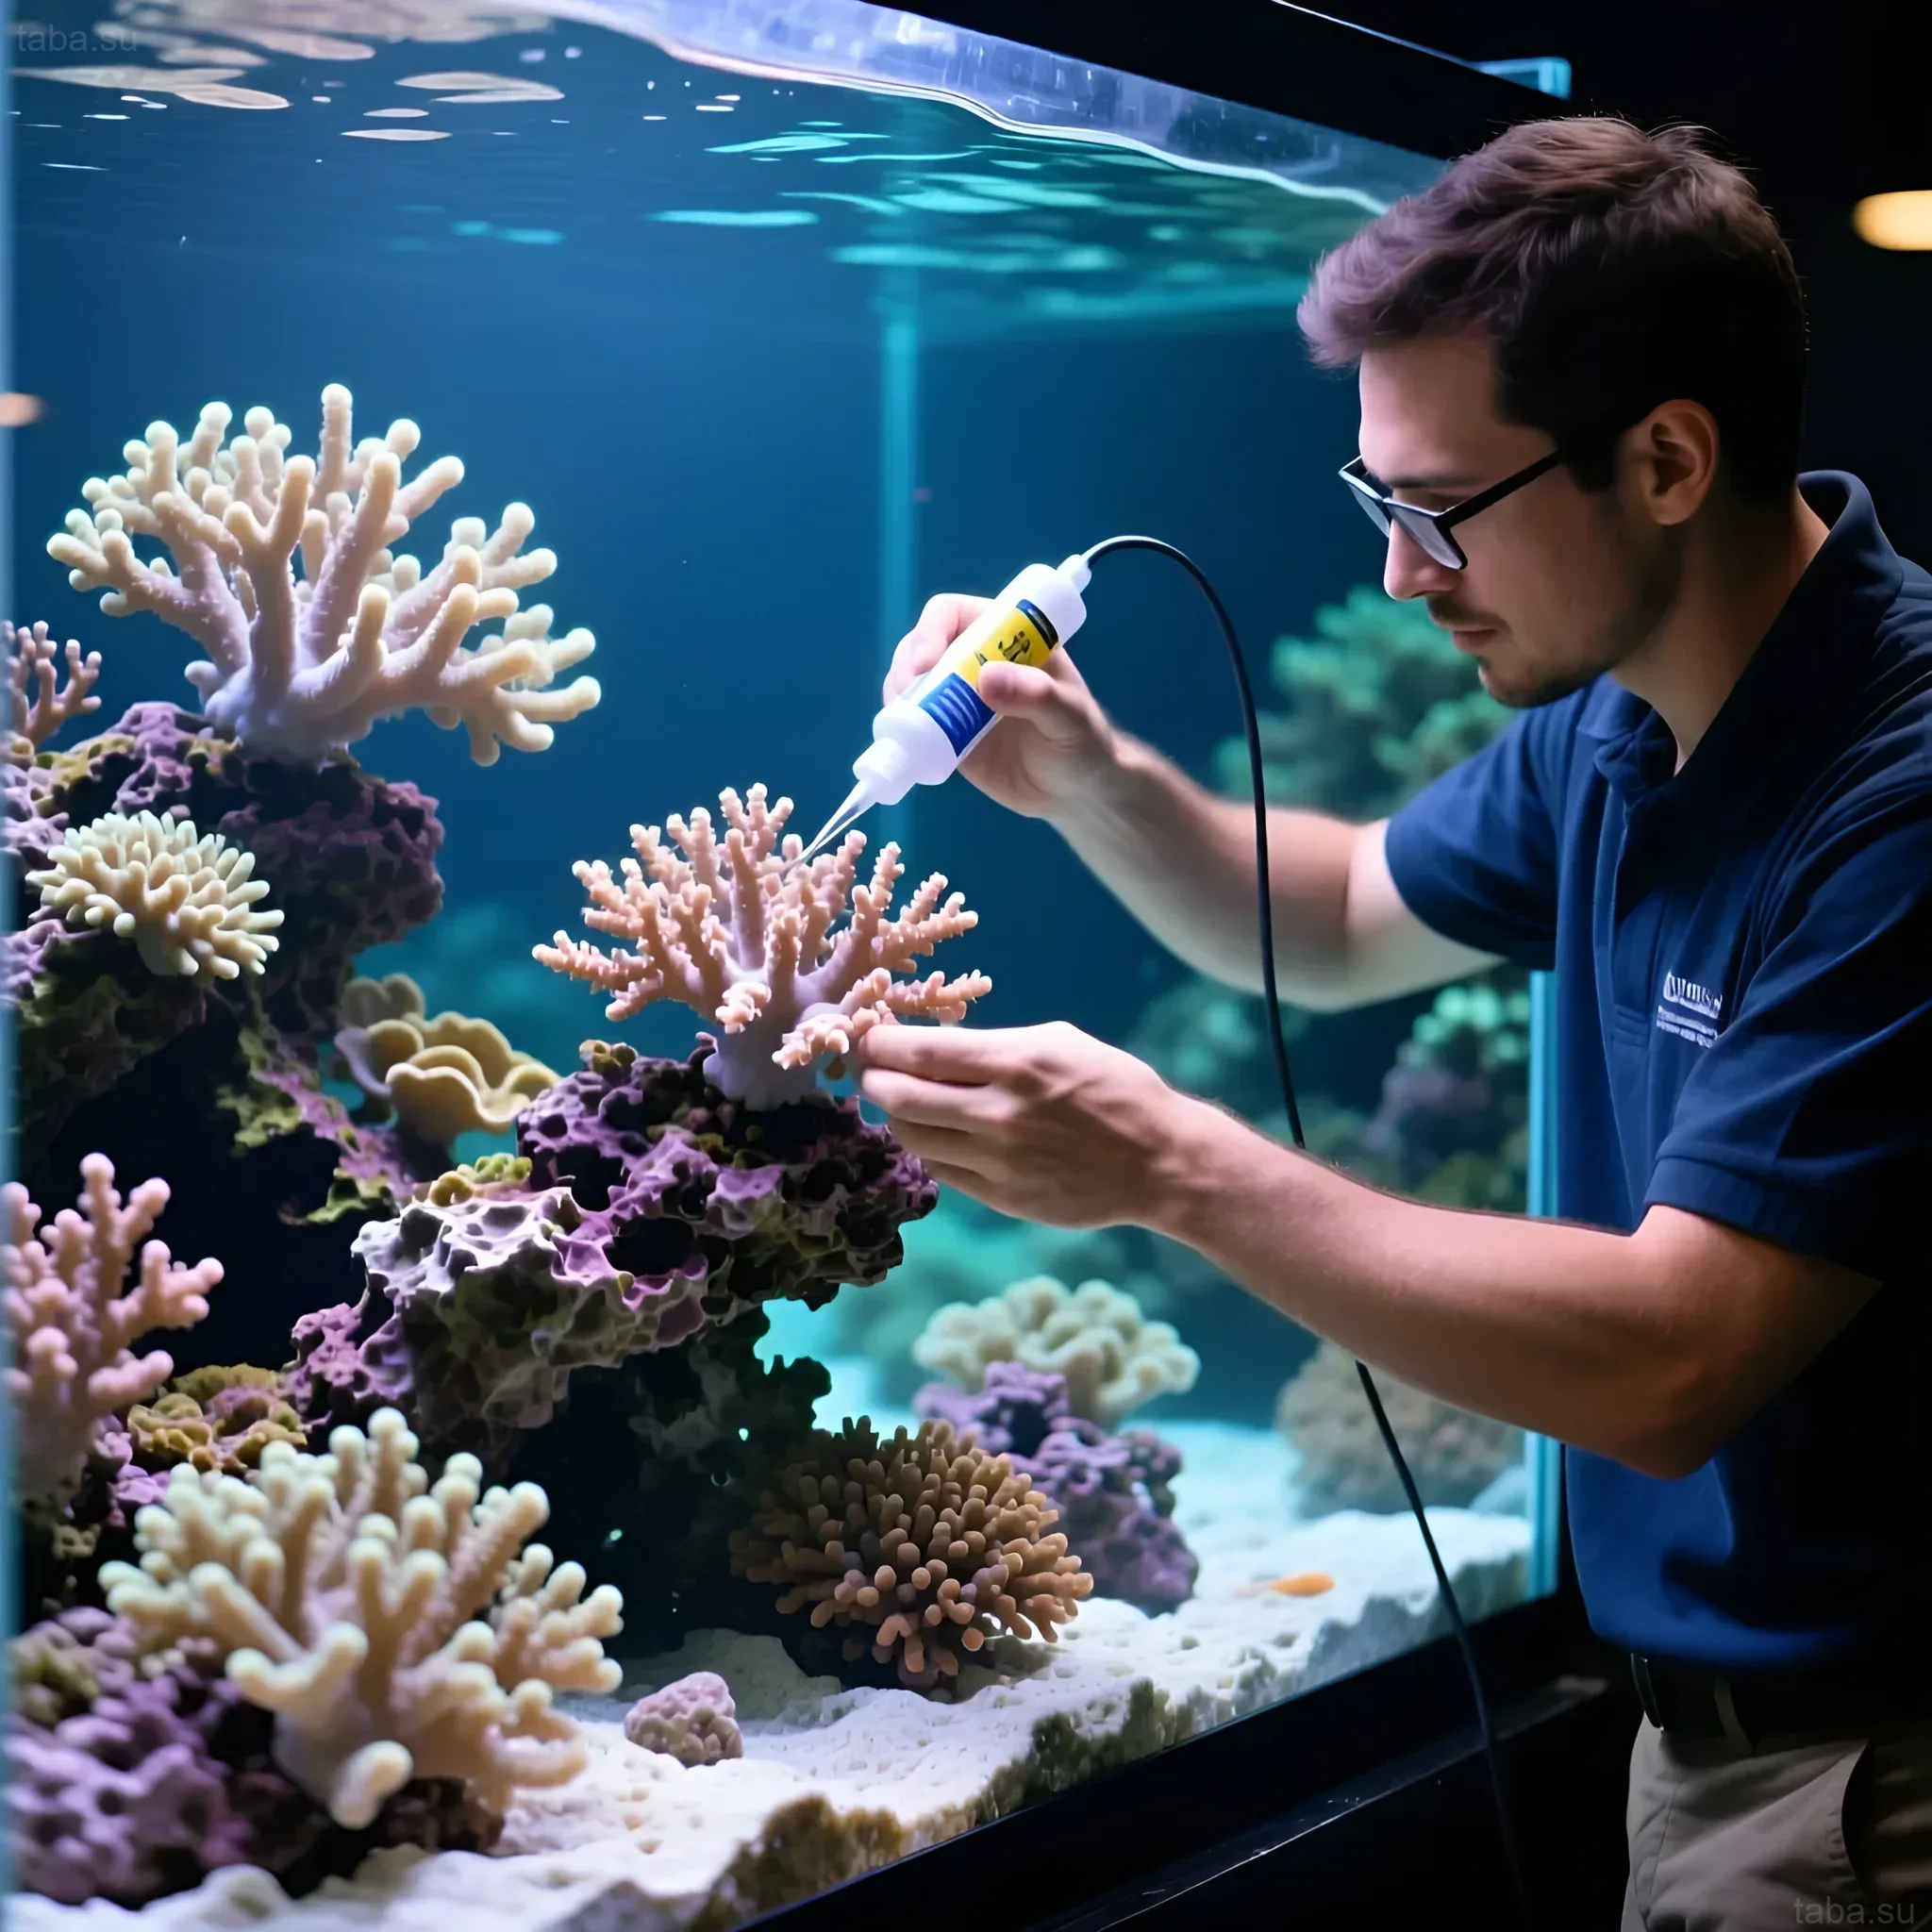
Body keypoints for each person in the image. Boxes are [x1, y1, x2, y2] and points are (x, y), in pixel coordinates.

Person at [851, 117, 1932, 1930]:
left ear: (1668, 459)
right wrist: (1095, 776)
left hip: (1871, 1789)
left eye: (1441, 514)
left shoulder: (1895, 790)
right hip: (1712, 1759)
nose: (1400, 579)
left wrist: (1170, 1167)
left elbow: (1675, 1363)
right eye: (1378, 508)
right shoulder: (1634, 714)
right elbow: (1341, 917)